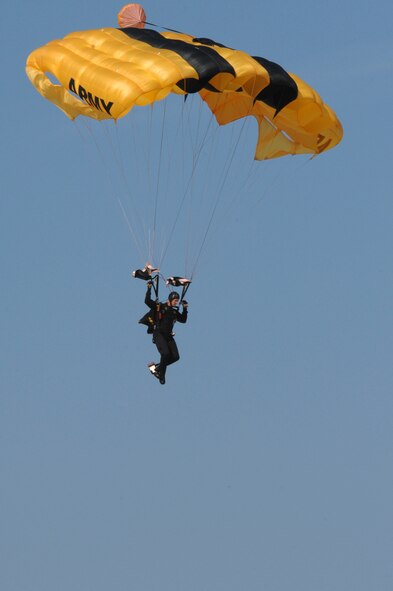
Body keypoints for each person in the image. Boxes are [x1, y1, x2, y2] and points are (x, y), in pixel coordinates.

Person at [144, 283, 188, 385]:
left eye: (177, 301)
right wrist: (149, 288)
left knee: (176, 357)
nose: (177, 303)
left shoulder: (174, 312)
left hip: (168, 335)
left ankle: (157, 369)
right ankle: (159, 372)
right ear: (170, 299)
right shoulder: (160, 307)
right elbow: (147, 301)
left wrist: (185, 308)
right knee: (166, 354)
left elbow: (183, 320)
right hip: (159, 333)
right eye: (175, 301)